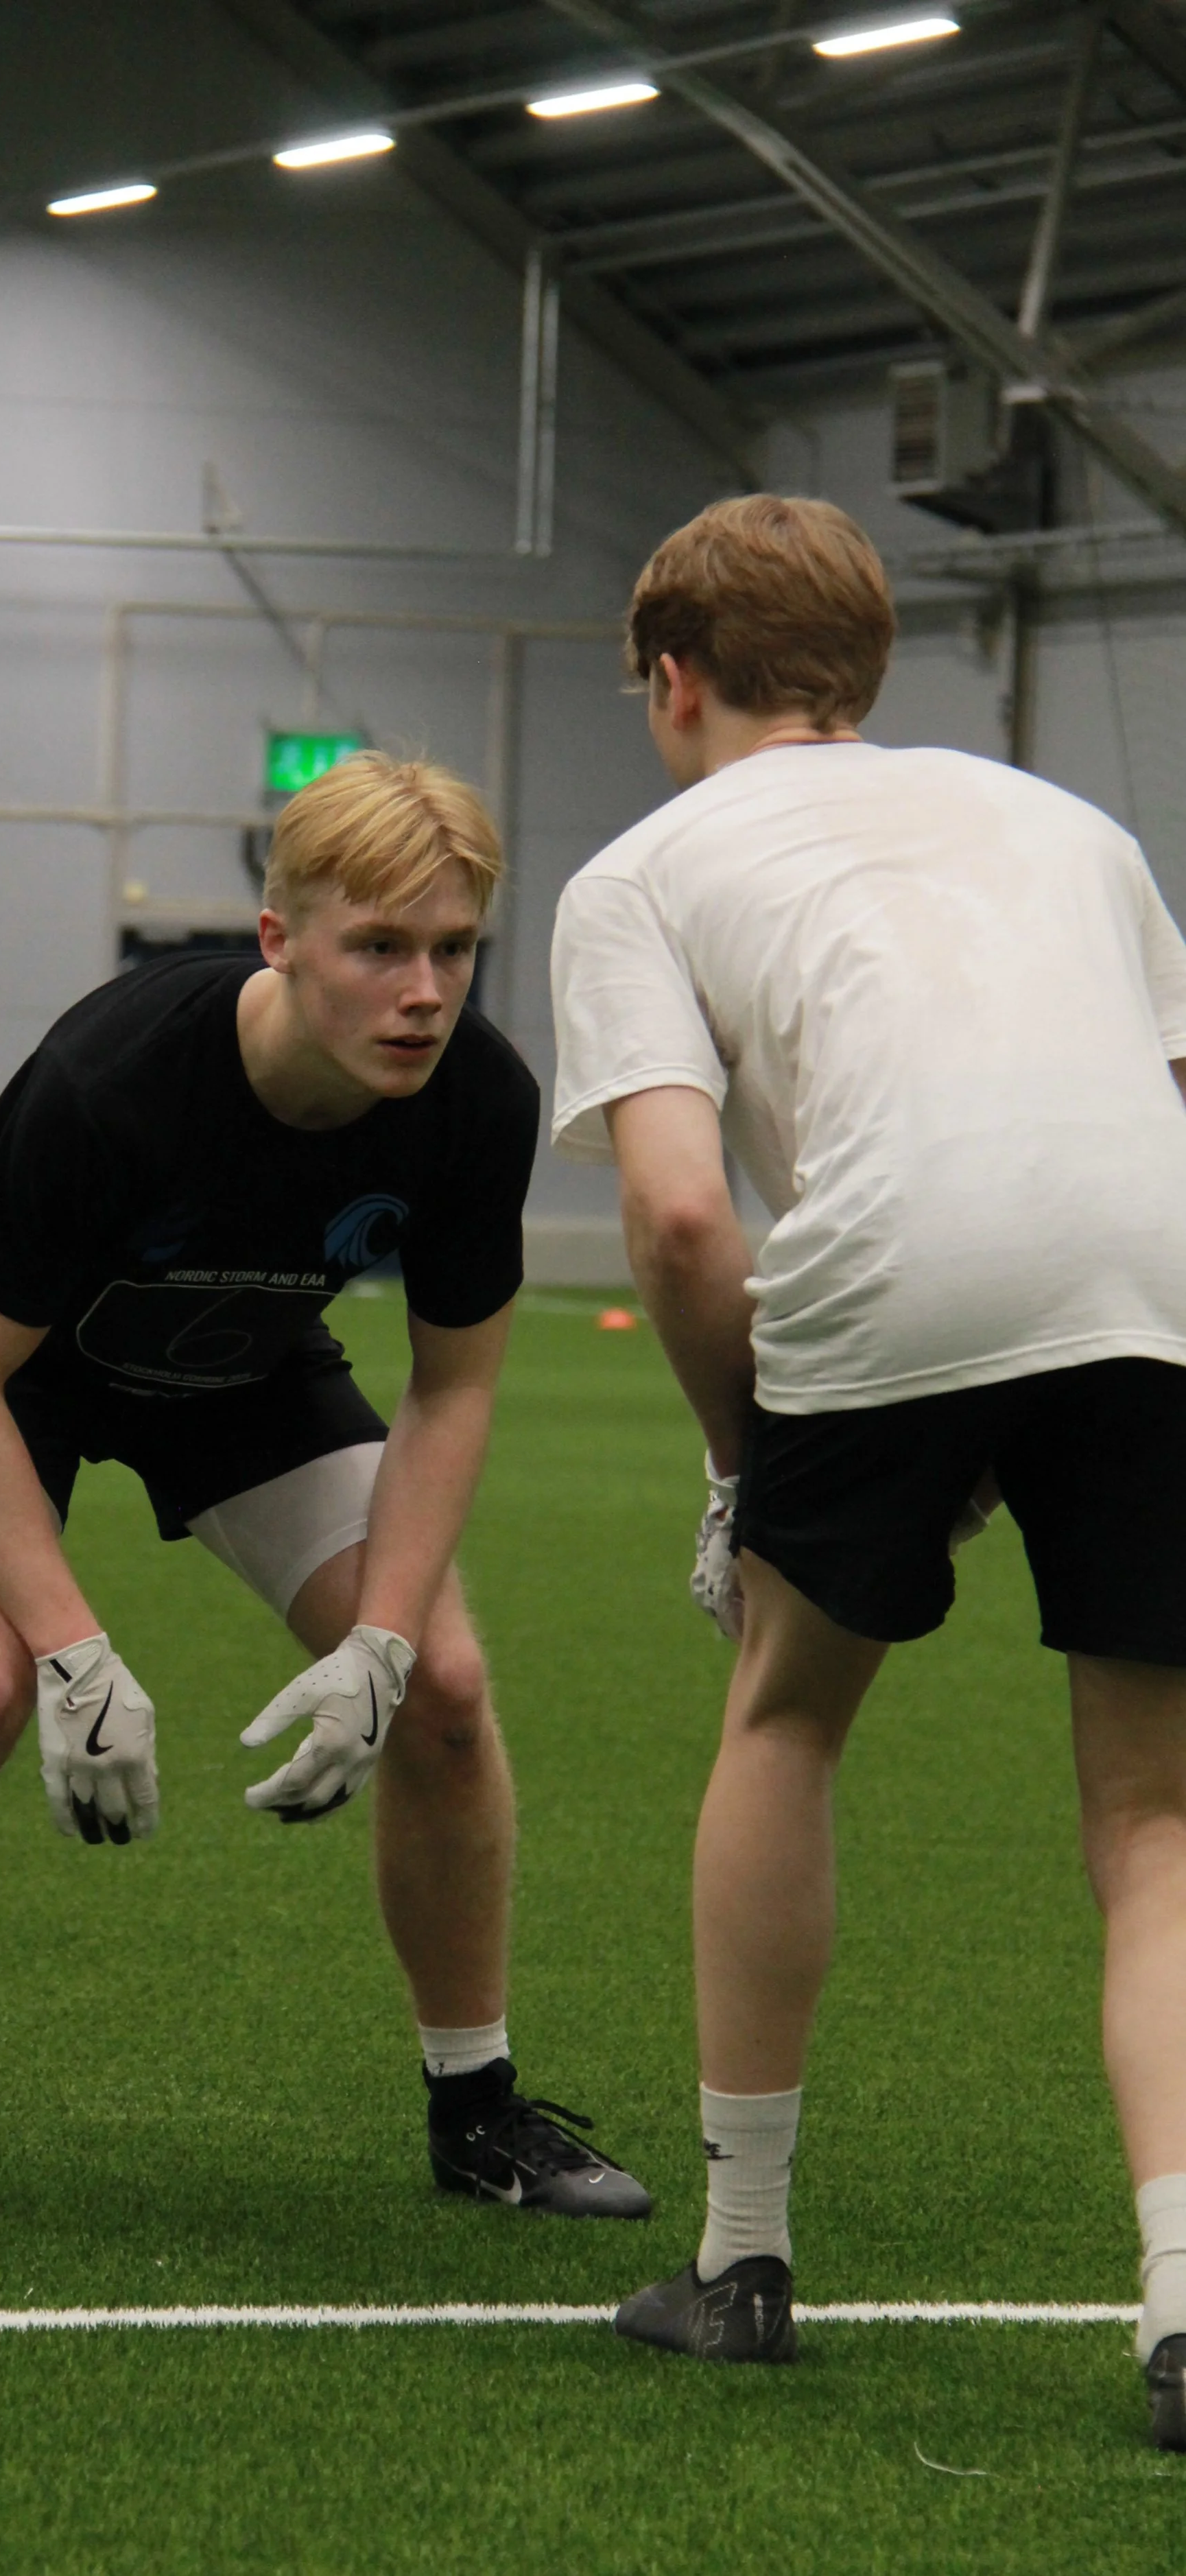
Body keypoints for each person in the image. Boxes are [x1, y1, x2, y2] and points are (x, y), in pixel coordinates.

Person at [0, 751, 650, 2230]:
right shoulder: (118, 1075)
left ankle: (478, 2109)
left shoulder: (475, 1100)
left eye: (453, 948)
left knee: (447, 1686)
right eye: (377, 946)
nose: (423, 991)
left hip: (240, 1358)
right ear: (278, 937)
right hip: (5, 1369)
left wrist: (383, 1641)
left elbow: (450, 1387)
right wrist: (71, 1651)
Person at [550, 493, 1186, 2448]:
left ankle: (739, 2261)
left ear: (669, 681)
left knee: (787, 1717)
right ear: (867, 667)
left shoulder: (636, 874)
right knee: (1157, 1821)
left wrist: (752, 1467)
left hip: (888, 1265)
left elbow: (675, 1223)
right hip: (1156, 1274)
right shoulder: (1074, 829)